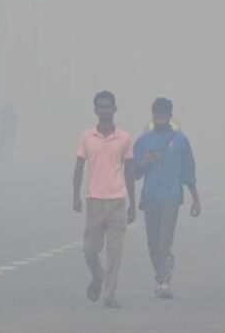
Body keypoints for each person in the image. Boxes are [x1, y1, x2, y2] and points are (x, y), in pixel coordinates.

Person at [72, 91, 136, 309]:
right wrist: (76, 196)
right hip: (94, 200)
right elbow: (79, 166)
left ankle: (109, 294)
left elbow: (129, 170)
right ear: (95, 110)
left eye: (108, 106)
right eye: (101, 107)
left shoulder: (125, 138)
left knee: (115, 252)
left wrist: (132, 204)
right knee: (90, 249)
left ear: (115, 109)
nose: (105, 110)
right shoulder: (87, 137)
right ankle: (98, 275)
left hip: (117, 200)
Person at [132, 97, 200, 299]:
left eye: (164, 115)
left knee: (164, 241)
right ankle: (159, 275)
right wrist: (147, 161)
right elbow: (134, 172)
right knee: (152, 242)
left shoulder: (180, 141)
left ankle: (165, 281)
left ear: (170, 116)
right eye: (157, 116)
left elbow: (188, 172)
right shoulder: (143, 141)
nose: (160, 119)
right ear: (153, 117)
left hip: (171, 197)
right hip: (151, 197)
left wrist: (195, 199)